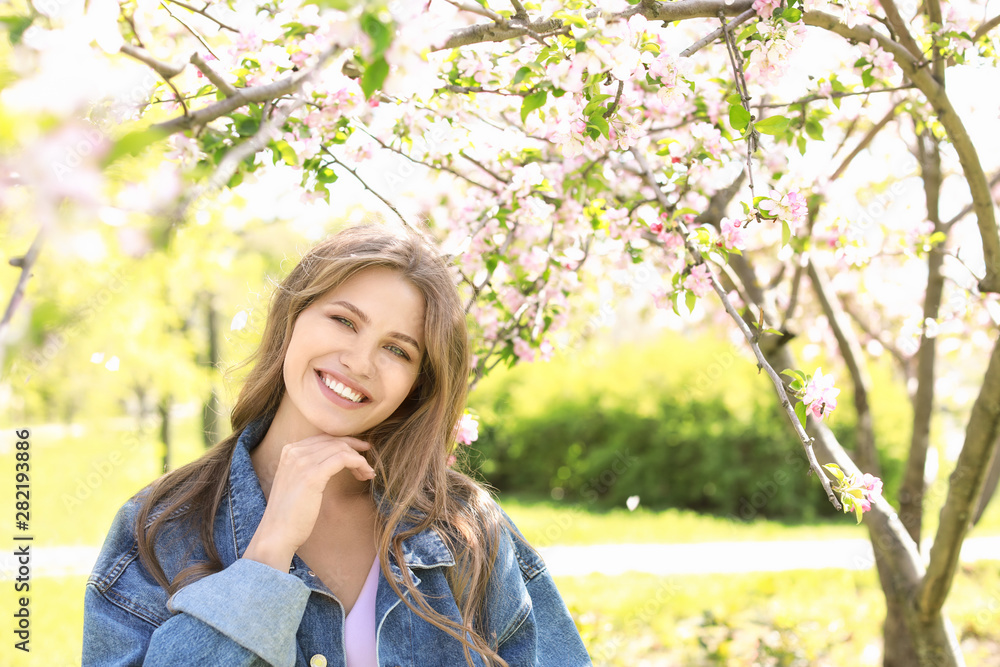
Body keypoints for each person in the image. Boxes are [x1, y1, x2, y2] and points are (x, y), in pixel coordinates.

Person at [82, 223, 593, 667]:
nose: (360, 361)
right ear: (292, 319)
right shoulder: (164, 526)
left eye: (397, 349)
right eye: (344, 321)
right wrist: (267, 555)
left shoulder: (462, 529)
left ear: (418, 382)